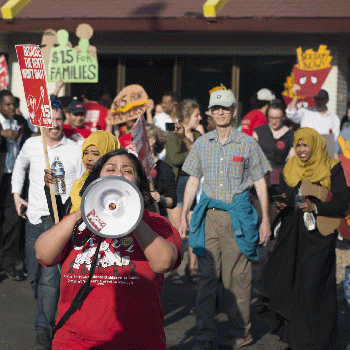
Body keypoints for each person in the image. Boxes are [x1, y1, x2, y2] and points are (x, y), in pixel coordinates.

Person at [35, 149, 182, 350]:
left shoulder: (155, 223)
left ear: (139, 184)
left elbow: (164, 262)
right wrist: (83, 212)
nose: (118, 174)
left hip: (136, 342)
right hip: (73, 341)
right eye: (110, 169)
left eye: (127, 171)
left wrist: (131, 213)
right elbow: (43, 254)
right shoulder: (79, 223)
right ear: (96, 179)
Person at [178, 89, 271, 350]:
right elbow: (193, 181)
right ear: (210, 112)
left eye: (225, 108)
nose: (220, 112)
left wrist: (264, 219)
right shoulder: (201, 143)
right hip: (208, 216)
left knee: (236, 278)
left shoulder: (247, 144)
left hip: (238, 217)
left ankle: (241, 332)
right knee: (206, 277)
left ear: (233, 112)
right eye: (215, 108)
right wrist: (185, 214)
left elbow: (260, 182)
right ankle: (204, 335)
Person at [256, 127, 348, 350]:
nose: (301, 149)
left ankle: (315, 342)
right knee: (291, 283)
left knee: (311, 285)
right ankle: (295, 340)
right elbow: (286, 194)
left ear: (315, 145)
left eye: (306, 145)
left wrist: (316, 206)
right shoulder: (291, 167)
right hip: (293, 233)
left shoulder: (331, 168)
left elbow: (343, 201)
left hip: (319, 237)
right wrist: (282, 201)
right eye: (298, 145)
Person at [12, 102, 84, 350]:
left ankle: (44, 328)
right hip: (33, 219)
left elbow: (83, 183)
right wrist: (15, 196)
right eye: (50, 120)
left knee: (50, 279)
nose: (54, 125)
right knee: (34, 275)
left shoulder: (76, 149)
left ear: (64, 120)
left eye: (59, 119)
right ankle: (45, 306)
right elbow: (19, 168)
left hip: (59, 221)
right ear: (43, 122)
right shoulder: (33, 145)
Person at [165, 99, 202, 285]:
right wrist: (193, 150)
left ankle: (192, 267)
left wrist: (191, 147)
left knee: (194, 227)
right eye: (197, 115)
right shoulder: (173, 135)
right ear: (187, 117)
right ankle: (174, 269)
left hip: (194, 184)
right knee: (177, 230)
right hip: (176, 184)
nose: (200, 118)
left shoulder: (197, 133)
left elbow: (200, 157)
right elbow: (173, 158)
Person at [0, 89, 31, 281]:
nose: (12, 108)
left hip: (14, 179)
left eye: (14, 104)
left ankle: (9, 264)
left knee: (13, 221)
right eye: (8, 105)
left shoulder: (20, 122)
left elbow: (33, 134)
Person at [252, 101, 295, 196]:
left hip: (279, 179)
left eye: (277, 118)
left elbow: (292, 160)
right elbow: (252, 155)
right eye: (271, 117)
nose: (274, 121)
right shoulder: (259, 131)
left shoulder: (291, 135)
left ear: (283, 117)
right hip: (261, 177)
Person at [146, 123, 177, 217]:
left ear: (152, 141)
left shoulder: (164, 168)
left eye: (138, 139)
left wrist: (161, 199)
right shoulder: (132, 165)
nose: (134, 142)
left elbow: (173, 201)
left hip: (155, 218)